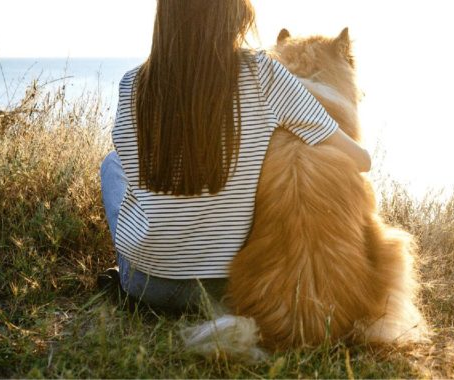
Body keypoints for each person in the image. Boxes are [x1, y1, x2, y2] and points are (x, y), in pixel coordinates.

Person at [98, 0, 371, 311]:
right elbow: (362, 161)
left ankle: (142, 266)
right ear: (235, 12)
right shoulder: (264, 72)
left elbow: (135, 173)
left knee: (112, 164)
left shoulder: (132, 84)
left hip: (145, 285)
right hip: (231, 288)